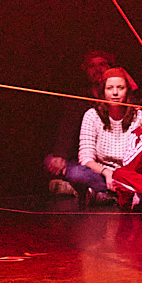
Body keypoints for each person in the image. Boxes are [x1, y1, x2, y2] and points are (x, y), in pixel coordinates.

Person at [43, 50, 115, 196]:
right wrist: (60, 154)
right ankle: (90, 188)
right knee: (52, 162)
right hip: (87, 161)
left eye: (102, 64)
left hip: (113, 163)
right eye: (92, 66)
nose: (98, 69)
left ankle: (91, 190)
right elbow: (67, 128)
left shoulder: (117, 97)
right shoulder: (79, 99)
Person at [74, 67, 142, 208]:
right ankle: (110, 194)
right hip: (101, 173)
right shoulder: (92, 116)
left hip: (128, 175)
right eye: (110, 88)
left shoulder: (138, 116)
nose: (115, 93)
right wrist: (107, 172)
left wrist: (120, 176)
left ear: (127, 91)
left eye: (120, 88)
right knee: (76, 172)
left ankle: (107, 195)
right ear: (103, 92)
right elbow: (86, 158)